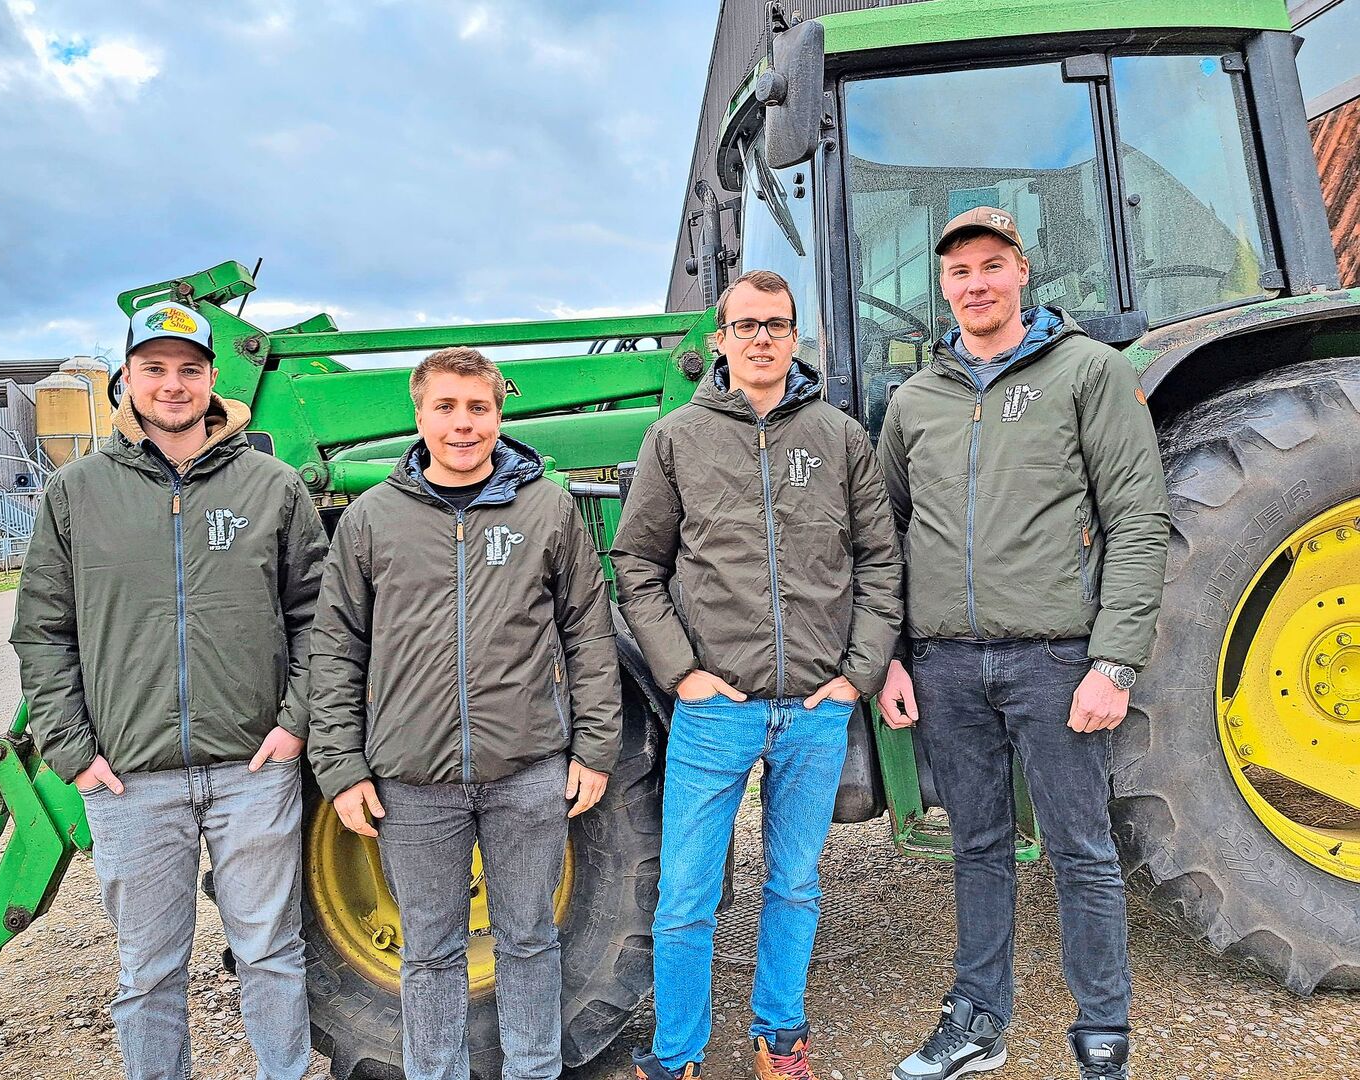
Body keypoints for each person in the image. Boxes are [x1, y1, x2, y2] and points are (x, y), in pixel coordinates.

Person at [877, 207, 1169, 1080]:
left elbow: (1137, 518)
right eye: (960, 271)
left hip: (1055, 663)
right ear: (944, 287)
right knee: (977, 849)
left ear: (1022, 271)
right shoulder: (914, 401)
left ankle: (1103, 1035)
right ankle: (978, 1022)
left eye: (991, 265)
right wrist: (890, 654)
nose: (976, 284)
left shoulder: (1088, 372)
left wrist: (1113, 662)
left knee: (1082, 850)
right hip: (946, 665)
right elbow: (886, 535)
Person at [12, 302, 327, 1080]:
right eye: (154, 368)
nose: (173, 384)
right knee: (148, 970)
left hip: (253, 772)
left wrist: (294, 723)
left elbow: (318, 617)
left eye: (189, 368)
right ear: (127, 379)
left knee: (271, 953)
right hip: (131, 780)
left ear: (213, 378)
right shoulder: (76, 492)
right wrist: (74, 752)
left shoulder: (273, 487)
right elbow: (43, 633)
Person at [611, 270, 904, 1080]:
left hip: (814, 709)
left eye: (776, 324)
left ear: (795, 336)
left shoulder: (839, 437)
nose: (762, 338)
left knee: (796, 885)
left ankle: (780, 1038)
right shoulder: (676, 438)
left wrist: (857, 675)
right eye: (746, 325)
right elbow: (636, 563)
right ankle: (677, 1056)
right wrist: (682, 673)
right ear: (721, 339)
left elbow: (879, 561)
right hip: (716, 709)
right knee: (686, 896)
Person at [306, 346, 622, 1080]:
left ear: (499, 415)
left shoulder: (546, 509)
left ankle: (535, 1070)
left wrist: (595, 748)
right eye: (445, 407)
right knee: (430, 953)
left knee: (529, 941)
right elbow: (337, 647)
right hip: (413, 784)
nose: (462, 424)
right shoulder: (371, 519)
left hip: (527, 773)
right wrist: (342, 767)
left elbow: (588, 631)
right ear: (418, 416)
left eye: (478, 407)